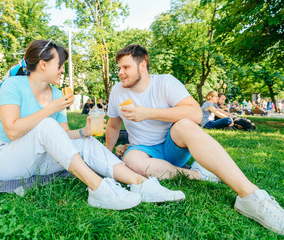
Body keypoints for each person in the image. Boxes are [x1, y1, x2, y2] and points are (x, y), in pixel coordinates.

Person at [0, 40, 186, 211]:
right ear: (43, 64)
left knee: (87, 142)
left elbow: (61, 134)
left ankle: (140, 183)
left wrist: (83, 132)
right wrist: (50, 109)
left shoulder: (56, 94)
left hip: (39, 162)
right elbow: (12, 131)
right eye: (60, 64)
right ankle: (98, 188)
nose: (63, 69)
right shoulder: (13, 85)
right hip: (6, 161)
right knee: (47, 124)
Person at [105, 44, 284, 235]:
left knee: (185, 124)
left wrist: (147, 113)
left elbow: (195, 114)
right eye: (119, 68)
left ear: (142, 66)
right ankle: (198, 174)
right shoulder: (117, 91)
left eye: (126, 68)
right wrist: (106, 154)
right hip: (143, 150)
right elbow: (113, 125)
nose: (120, 73)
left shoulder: (165, 82)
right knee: (131, 160)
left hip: (172, 144)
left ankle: (251, 196)